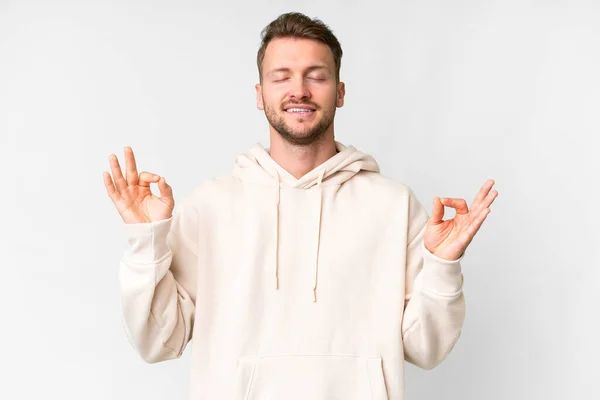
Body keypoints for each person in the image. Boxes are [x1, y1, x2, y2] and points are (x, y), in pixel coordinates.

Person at [103, 12, 497, 400]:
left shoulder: (394, 206)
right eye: (282, 77)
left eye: (316, 76)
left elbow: (426, 350)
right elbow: (156, 343)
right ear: (259, 95)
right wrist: (146, 243)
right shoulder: (210, 205)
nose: (300, 90)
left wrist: (443, 268)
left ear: (340, 92)